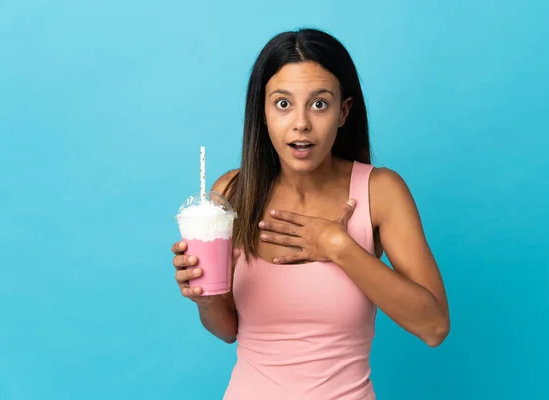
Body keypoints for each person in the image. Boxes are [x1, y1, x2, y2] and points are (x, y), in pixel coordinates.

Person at [170, 28, 450, 400]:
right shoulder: (232, 194)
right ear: (263, 112)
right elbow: (228, 329)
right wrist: (205, 300)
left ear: (343, 111)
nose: (301, 122)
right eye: (283, 104)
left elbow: (433, 327)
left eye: (319, 104)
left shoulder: (379, 192)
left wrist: (339, 247)